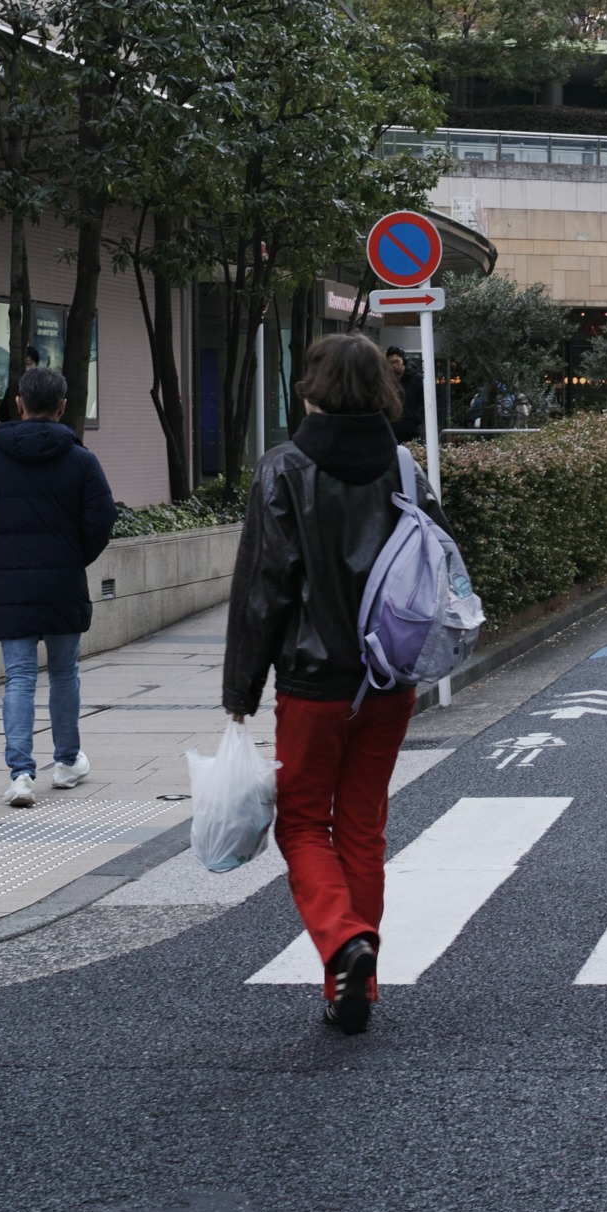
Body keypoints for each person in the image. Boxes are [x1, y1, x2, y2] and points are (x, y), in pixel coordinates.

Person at [223, 333, 444, 1035]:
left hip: (314, 680)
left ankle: (343, 941)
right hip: (388, 676)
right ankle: (357, 980)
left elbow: (264, 588)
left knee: (300, 820)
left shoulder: (284, 468)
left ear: (313, 383)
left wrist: (241, 690)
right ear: (380, 388)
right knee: (362, 824)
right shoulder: (405, 469)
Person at [0, 365, 116, 808]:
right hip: (64, 580)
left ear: (19, 404)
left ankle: (21, 774)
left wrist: (3, 556)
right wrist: (72, 557)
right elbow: (101, 519)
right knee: (64, 673)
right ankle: (66, 763)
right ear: (63, 407)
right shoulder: (81, 459)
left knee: (19, 677)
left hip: (12, 584)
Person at [383, 345, 424, 443]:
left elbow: (422, 402)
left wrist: (415, 420)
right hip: (390, 430)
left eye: (397, 362)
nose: (394, 366)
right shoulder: (386, 379)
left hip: (410, 430)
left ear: (404, 360)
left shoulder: (416, 379)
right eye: (391, 363)